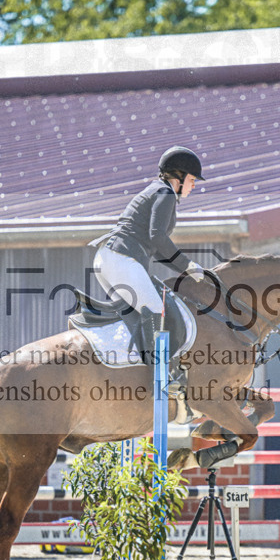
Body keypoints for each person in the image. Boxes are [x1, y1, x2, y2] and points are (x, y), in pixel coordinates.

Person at [89, 146, 207, 386]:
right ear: (179, 176)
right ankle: (161, 377)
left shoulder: (158, 191)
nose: (194, 186)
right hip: (121, 258)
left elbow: (157, 249)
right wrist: (187, 264)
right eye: (192, 180)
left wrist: (187, 270)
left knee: (138, 315)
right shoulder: (165, 194)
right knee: (155, 309)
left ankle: (133, 371)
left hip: (109, 259)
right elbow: (158, 237)